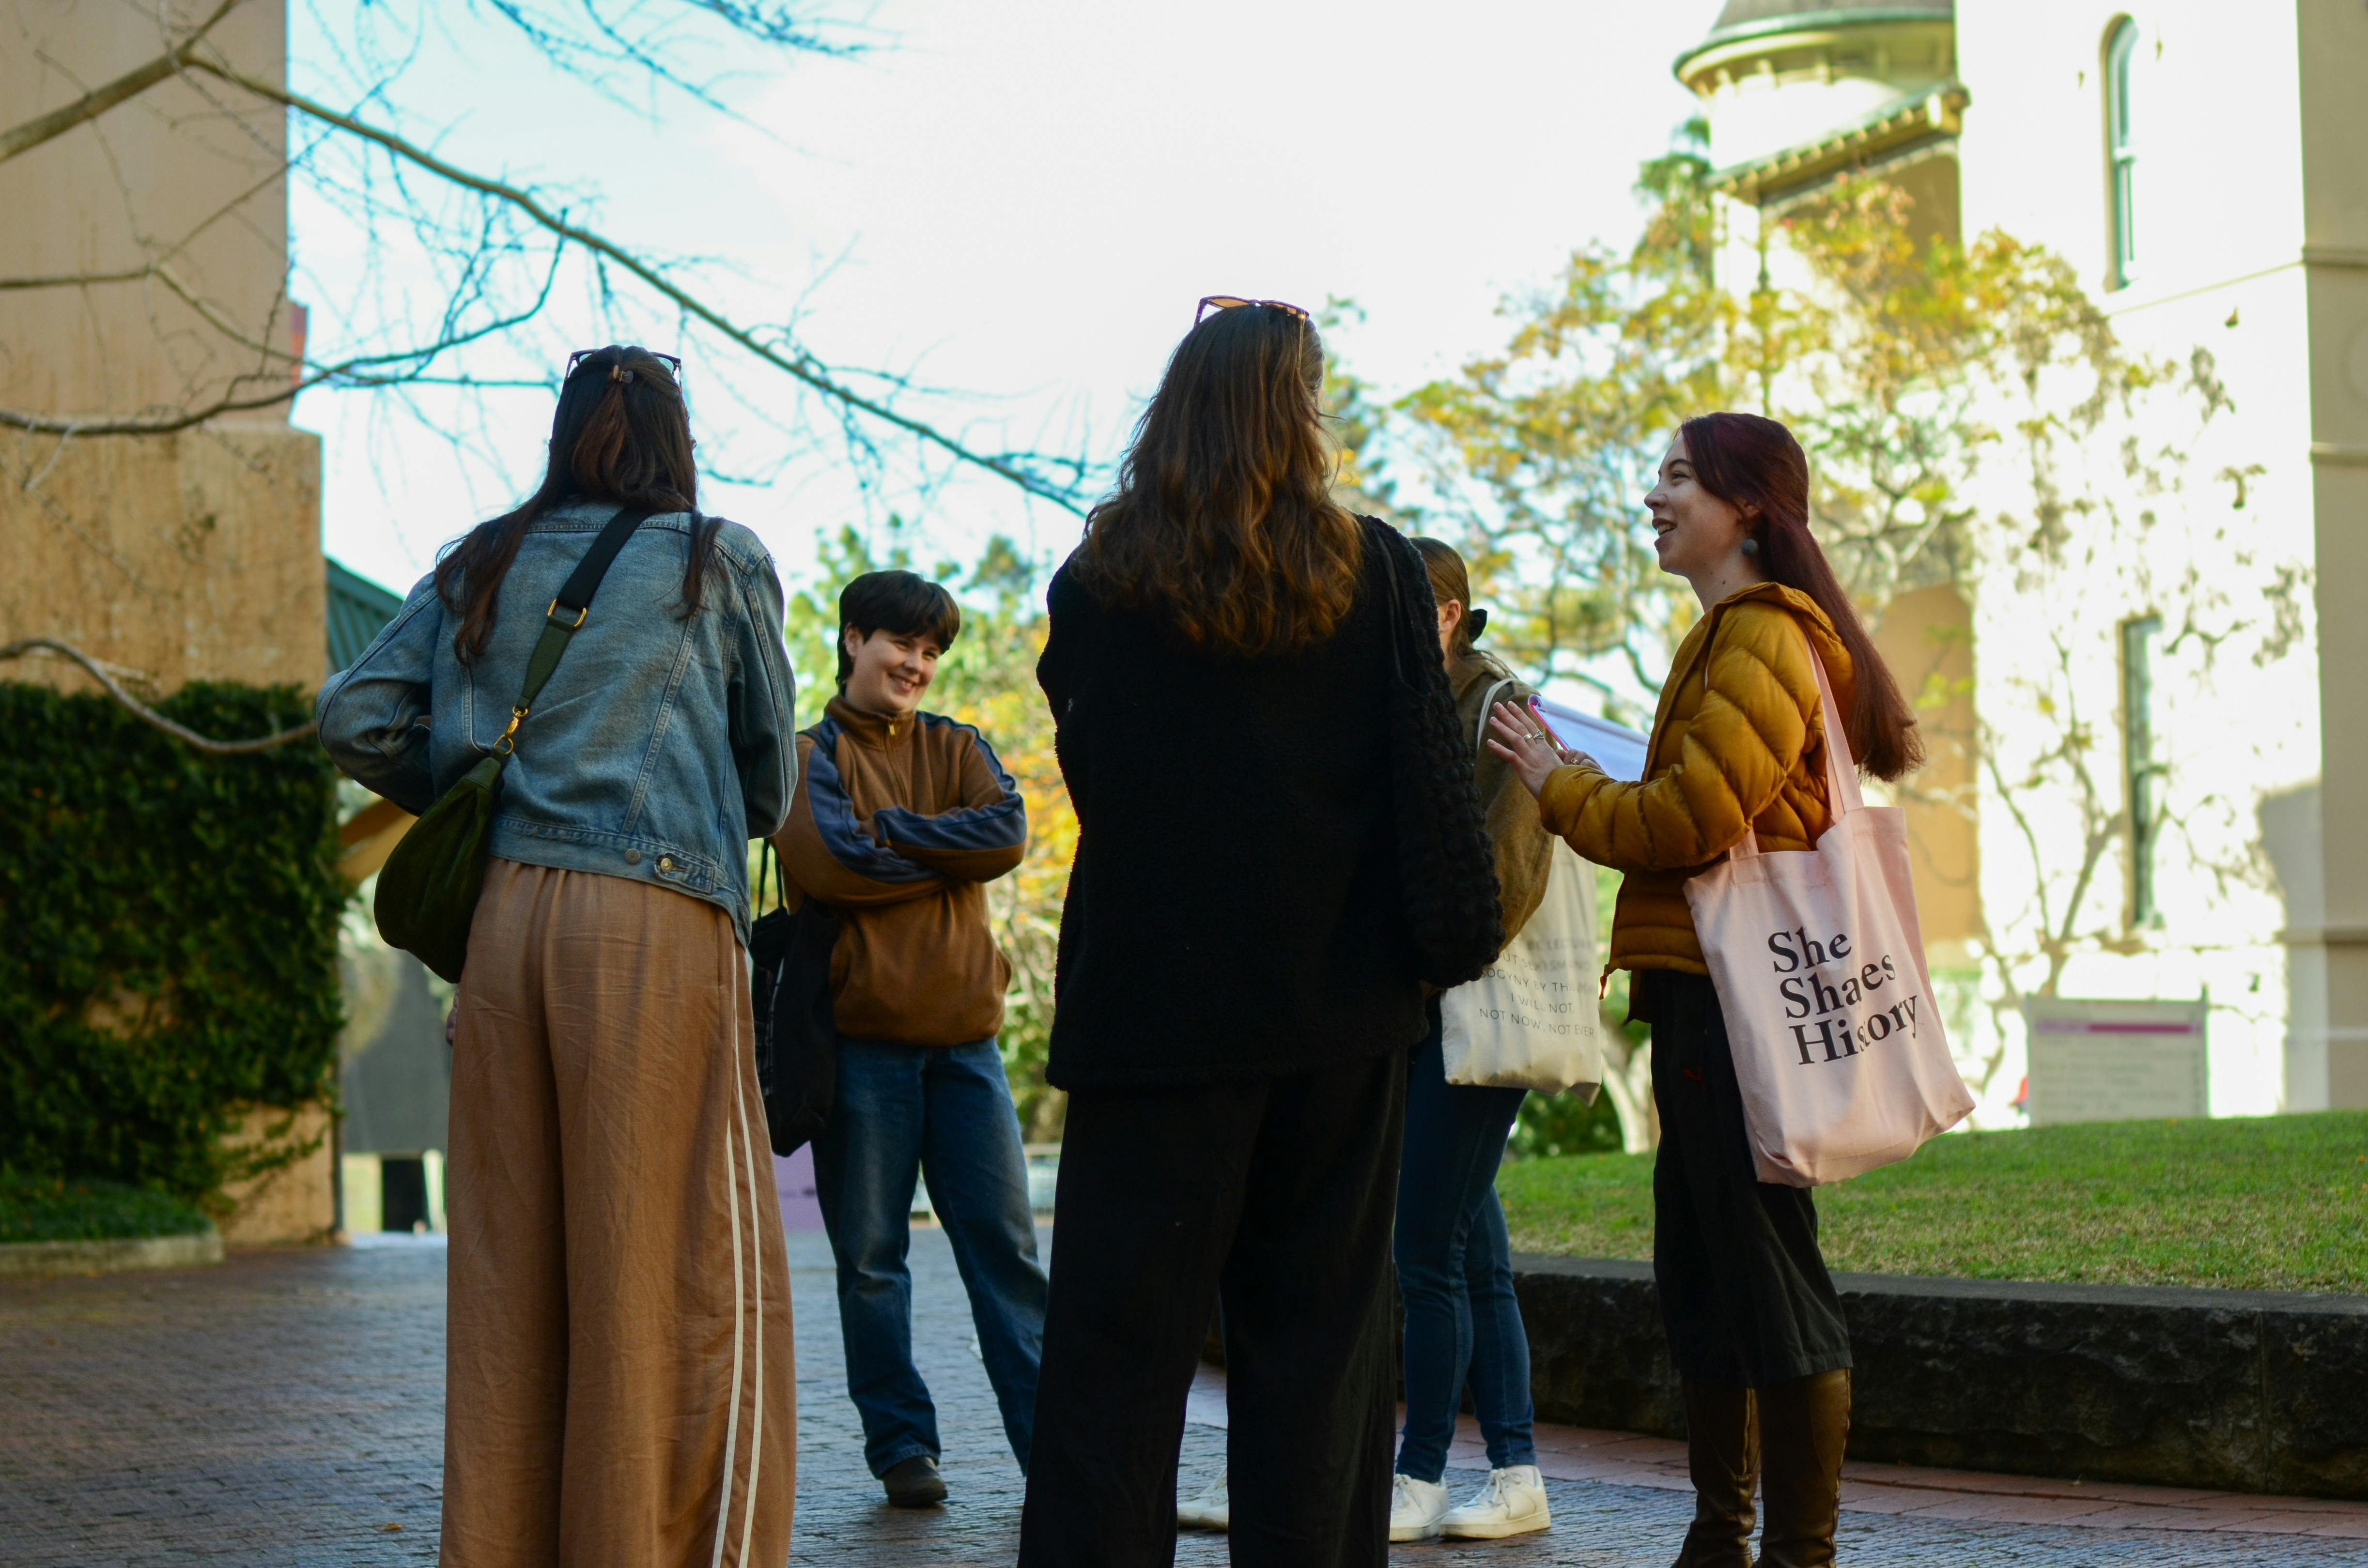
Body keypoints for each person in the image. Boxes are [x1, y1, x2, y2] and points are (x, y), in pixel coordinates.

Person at [1018, 296, 1502, 1568]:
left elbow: (1093, 765)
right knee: (1319, 1360)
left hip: (1150, 1019)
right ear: (1302, 413)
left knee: (1112, 1368)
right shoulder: (1379, 569)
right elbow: (1419, 772)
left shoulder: (1101, 581)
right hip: (1336, 1015)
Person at [316, 344, 799, 1568]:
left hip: (502, 923)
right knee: (676, 1267)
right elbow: (773, 776)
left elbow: (353, 714)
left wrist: (491, 791)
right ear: (674, 438)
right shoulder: (714, 554)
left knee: (511, 1274)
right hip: (649, 917)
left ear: (565, 431)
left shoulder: (482, 555)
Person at [1486, 411, 1924, 1568]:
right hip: (1704, 992)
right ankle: (1720, 1535)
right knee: (1708, 1270)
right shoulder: (1732, 634)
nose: (1654, 496)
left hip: (1734, 1000)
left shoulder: (1763, 637)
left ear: (1745, 507)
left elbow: (1689, 818)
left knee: (1765, 1269)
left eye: (1678, 477)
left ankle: (1790, 1550)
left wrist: (1558, 780)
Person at [772, 569, 1046, 1508]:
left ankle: (1052, 1453)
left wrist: (892, 829)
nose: (917, 664)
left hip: (968, 1046)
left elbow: (1005, 832)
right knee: (872, 1260)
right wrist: (942, 853)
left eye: (932, 652)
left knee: (1006, 1254)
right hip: (864, 1048)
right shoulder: (806, 752)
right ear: (853, 639)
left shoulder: (960, 745)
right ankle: (901, 1447)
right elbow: (829, 861)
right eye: (901, 644)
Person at [1384, 538, 1557, 1543]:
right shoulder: (1419, 699)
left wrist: (1415, 965)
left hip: (1474, 1005)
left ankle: (1419, 1476)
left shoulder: (1498, 707)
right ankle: (1518, 1474)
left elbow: (1506, 874)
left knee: (1424, 1247)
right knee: (1474, 1253)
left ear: (1446, 612)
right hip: (1439, 1010)